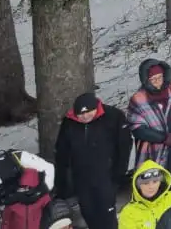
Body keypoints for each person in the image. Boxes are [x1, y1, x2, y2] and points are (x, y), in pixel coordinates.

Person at [54, 92, 130, 229]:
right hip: (82, 179)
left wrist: (119, 173)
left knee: (107, 218)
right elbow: (62, 153)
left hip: (106, 177)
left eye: (89, 112)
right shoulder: (69, 123)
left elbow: (124, 146)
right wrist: (63, 183)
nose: (85, 116)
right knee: (89, 214)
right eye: (81, 114)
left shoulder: (113, 117)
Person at [125, 60, 171, 180]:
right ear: (146, 80)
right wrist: (164, 138)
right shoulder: (138, 99)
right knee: (157, 183)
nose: (157, 81)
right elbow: (137, 127)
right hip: (152, 149)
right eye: (153, 79)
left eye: (159, 77)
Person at [0, 149, 55, 229]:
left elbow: (49, 168)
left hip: (38, 205)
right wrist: (3, 205)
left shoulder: (21, 158)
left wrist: (40, 191)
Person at [115, 162, 171, 229]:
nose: (151, 186)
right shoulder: (129, 213)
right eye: (146, 183)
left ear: (160, 182)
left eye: (155, 182)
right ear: (138, 186)